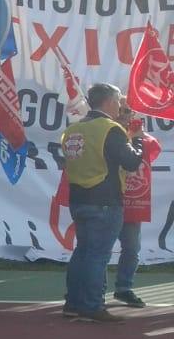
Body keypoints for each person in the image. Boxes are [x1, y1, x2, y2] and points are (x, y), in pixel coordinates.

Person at [61, 83, 146, 322]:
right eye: (119, 101)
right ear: (109, 102)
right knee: (97, 256)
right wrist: (138, 140)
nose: (121, 106)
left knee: (82, 252)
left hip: (78, 199)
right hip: (105, 200)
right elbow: (131, 162)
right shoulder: (110, 128)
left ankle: (73, 303)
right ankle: (92, 306)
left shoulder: (73, 129)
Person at [113, 108, 162, 308]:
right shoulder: (108, 134)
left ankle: (124, 288)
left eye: (129, 112)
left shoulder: (143, 140)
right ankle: (94, 289)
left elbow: (155, 148)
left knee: (132, 249)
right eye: (122, 109)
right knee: (100, 249)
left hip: (133, 203)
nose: (126, 115)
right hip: (108, 200)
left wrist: (137, 136)